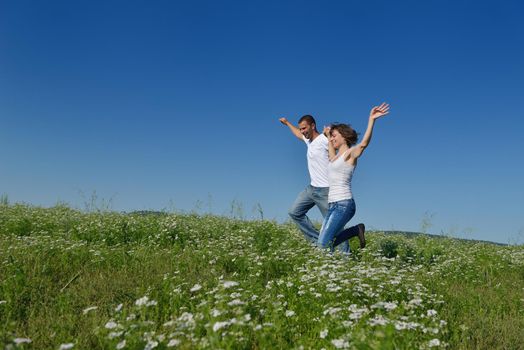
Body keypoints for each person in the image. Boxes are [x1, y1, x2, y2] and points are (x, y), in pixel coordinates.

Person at [317, 102, 390, 251]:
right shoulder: (334, 158)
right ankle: (355, 231)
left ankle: (354, 232)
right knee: (324, 244)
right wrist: (327, 135)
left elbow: (363, 144)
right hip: (332, 205)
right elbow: (330, 149)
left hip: (344, 205)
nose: (332, 139)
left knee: (323, 245)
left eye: (334, 136)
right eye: (331, 137)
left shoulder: (349, 154)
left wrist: (372, 120)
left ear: (344, 136)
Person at [279, 115, 350, 252]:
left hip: (325, 191)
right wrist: (287, 123)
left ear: (313, 126)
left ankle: (345, 256)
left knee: (335, 225)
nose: (303, 131)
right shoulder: (308, 141)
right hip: (312, 189)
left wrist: (330, 136)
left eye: (304, 128)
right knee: (294, 212)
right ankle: (319, 242)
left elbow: (336, 148)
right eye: (301, 129)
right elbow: (298, 134)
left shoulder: (324, 140)